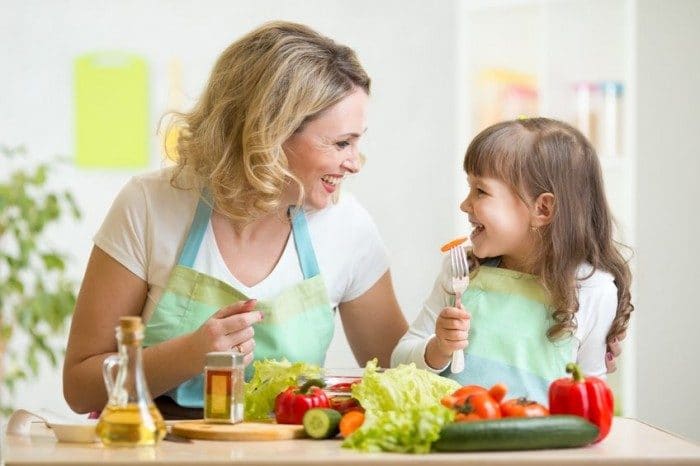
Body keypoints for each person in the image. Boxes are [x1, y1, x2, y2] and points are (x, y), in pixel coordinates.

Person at [63, 21, 407, 418]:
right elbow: (80, 387)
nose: (354, 163)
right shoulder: (150, 205)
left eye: (357, 141)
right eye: (341, 143)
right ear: (270, 133)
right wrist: (188, 356)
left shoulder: (348, 228)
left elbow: (399, 375)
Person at [391, 118, 633, 403]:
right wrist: (438, 349)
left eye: (480, 191)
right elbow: (399, 360)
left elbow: (591, 394)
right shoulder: (461, 272)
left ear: (542, 208)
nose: (465, 204)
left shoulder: (594, 290)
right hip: (453, 443)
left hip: (540, 447)